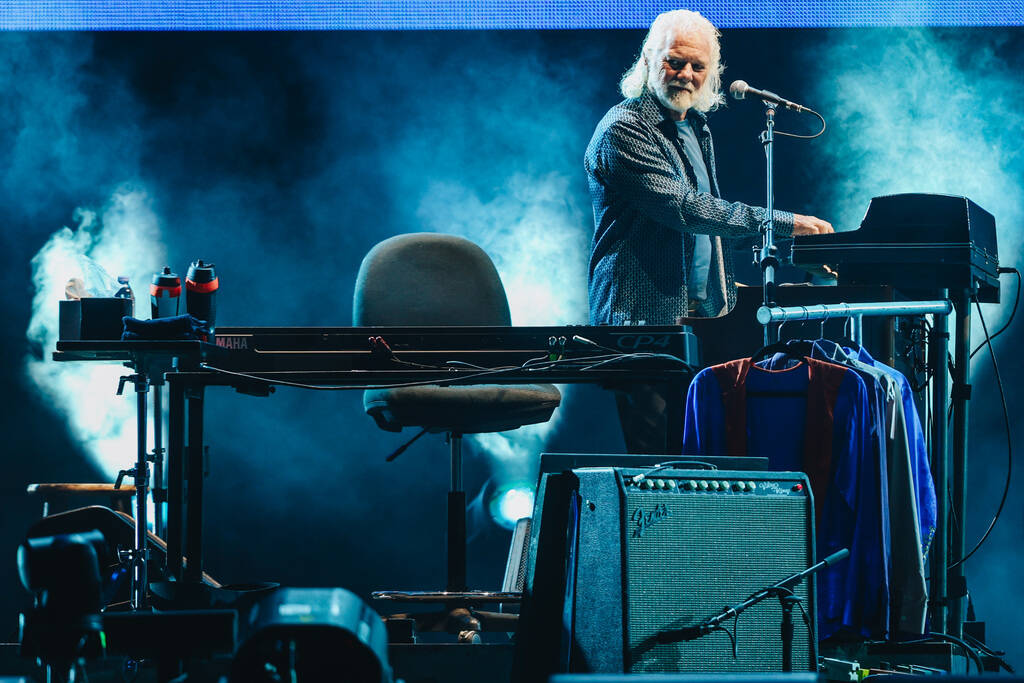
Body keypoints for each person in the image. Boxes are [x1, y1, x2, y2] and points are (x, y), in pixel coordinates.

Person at [585, 9, 833, 453]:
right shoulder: (623, 129)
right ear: (646, 62)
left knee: (708, 464)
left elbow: (711, 229)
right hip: (646, 324)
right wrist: (782, 221)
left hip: (703, 321)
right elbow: (684, 209)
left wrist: (795, 244)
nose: (686, 74)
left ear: (712, 75)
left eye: (698, 67)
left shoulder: (695, 128)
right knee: (660, 469)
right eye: (674, 62)